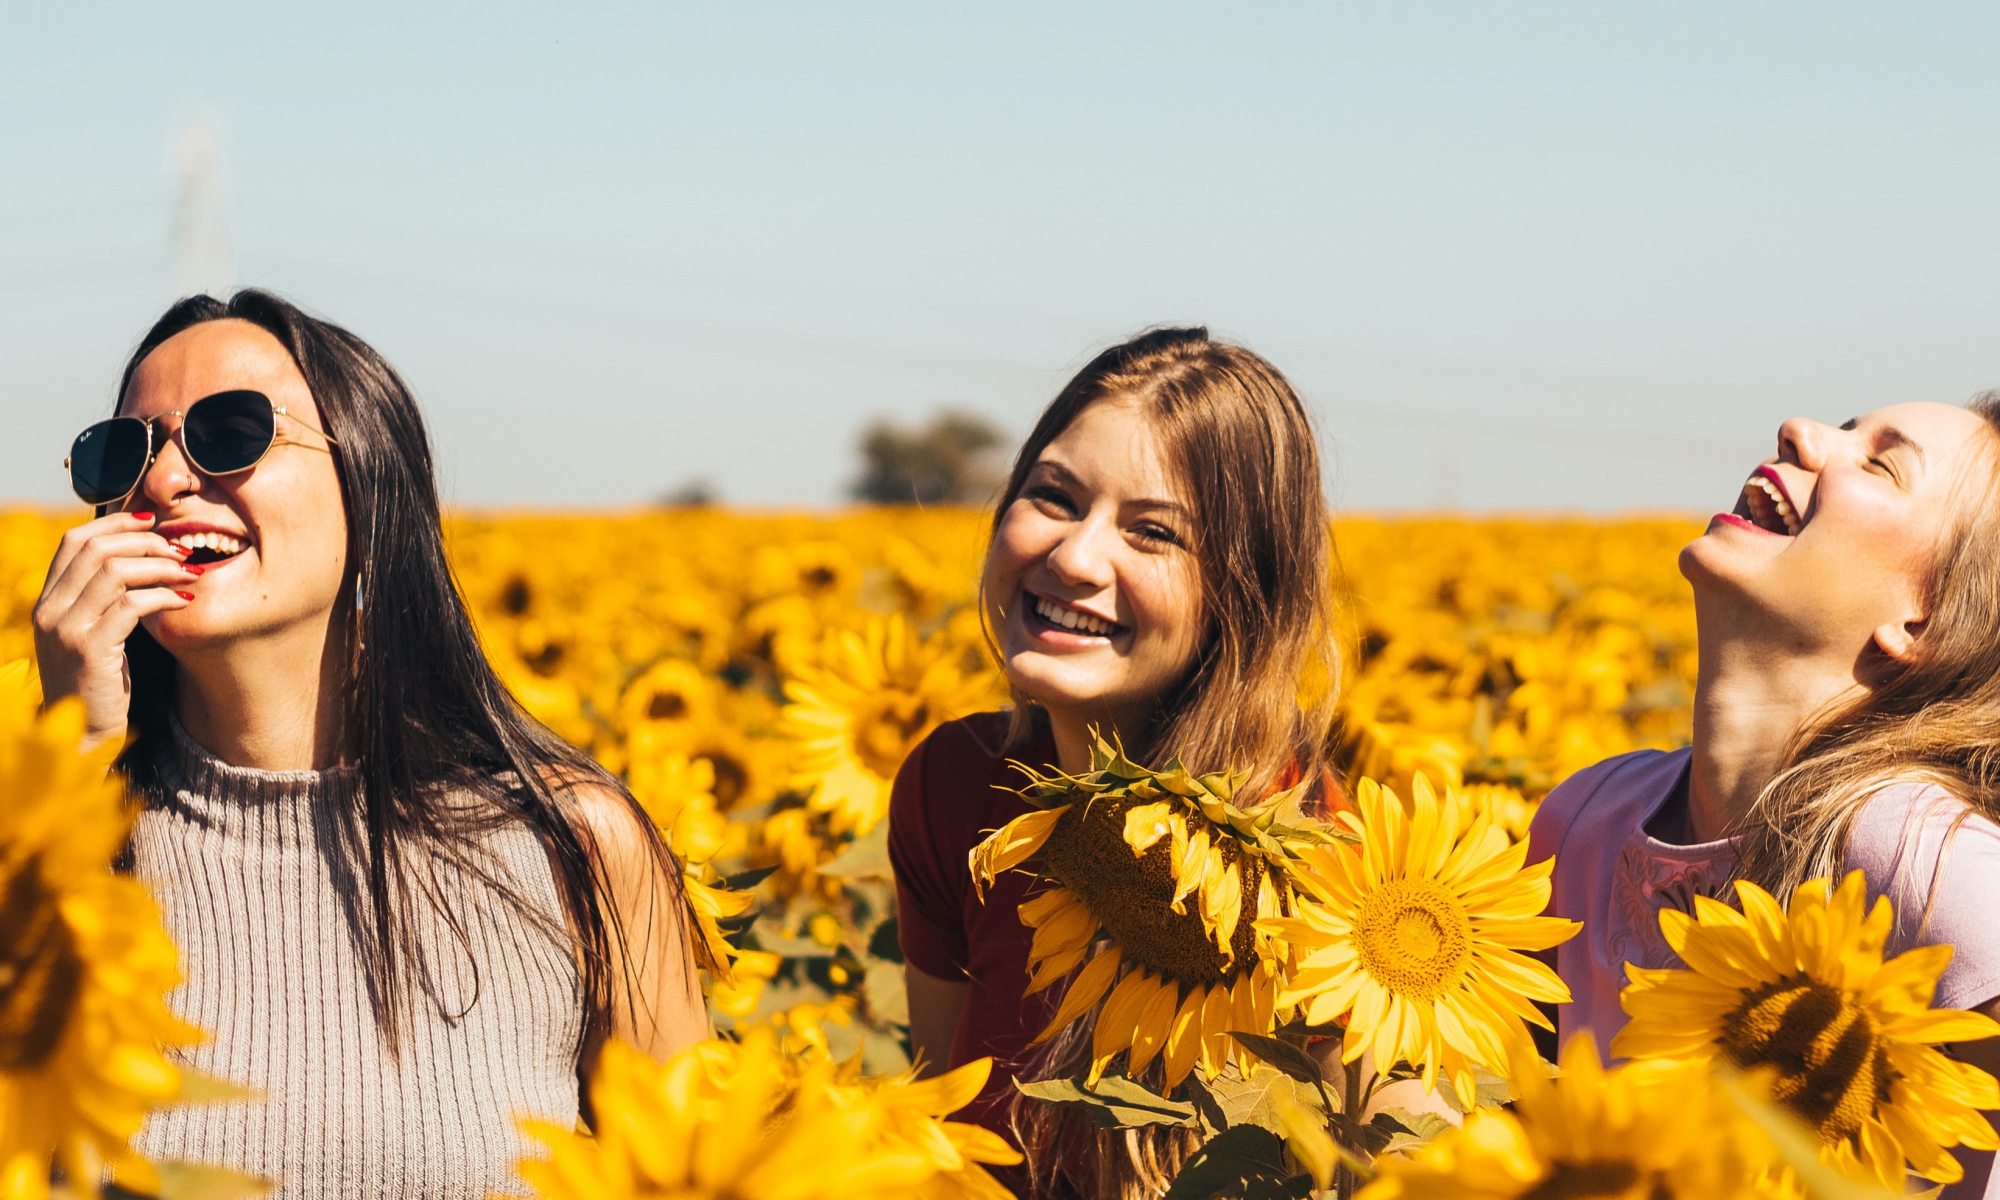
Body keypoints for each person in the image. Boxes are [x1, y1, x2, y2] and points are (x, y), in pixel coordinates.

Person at [32, 290, 706, 1198]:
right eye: (126, 452)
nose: (163, 482)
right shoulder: (42, 853)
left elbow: (704, 1169)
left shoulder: (575, 845)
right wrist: (67, 763)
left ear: (369, 482)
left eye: (230, 431)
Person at [888, 327, 1344, 1197]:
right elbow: (937, 1131)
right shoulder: (954, 787)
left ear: (1242, 594)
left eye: (1152, 533)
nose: (1073, 556)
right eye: (1054, 496)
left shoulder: (1320, 863)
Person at [1529, 397, 2000, 1196]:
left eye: (1883, 463)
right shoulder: (1583, 820)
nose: (1801, 431)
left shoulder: (1936, 872)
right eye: (1844, 425)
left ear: (1921, 627)